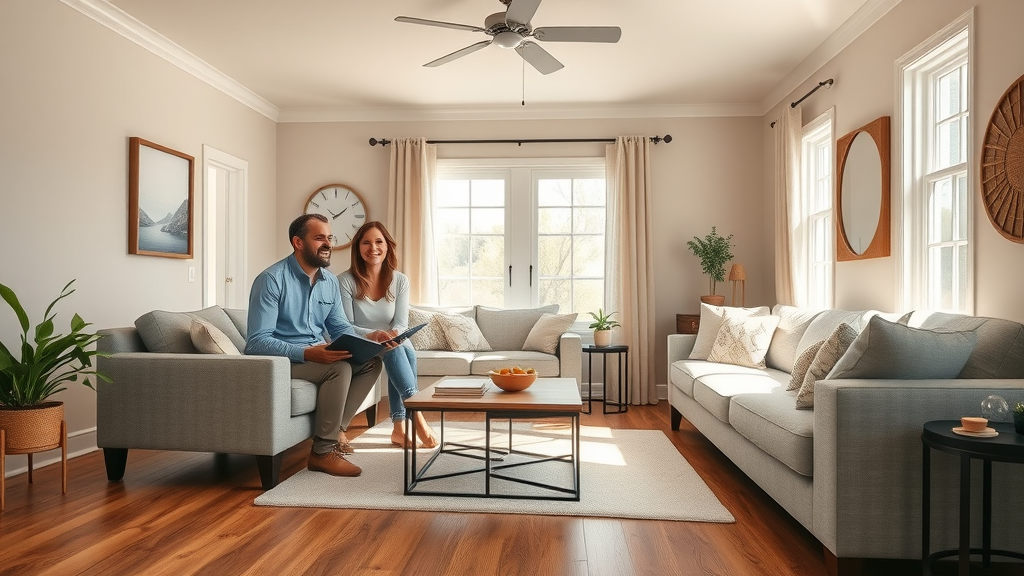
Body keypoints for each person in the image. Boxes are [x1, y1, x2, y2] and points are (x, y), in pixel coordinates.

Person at [245, 213, 394, 477]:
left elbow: (340, 329)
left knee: (372, 361)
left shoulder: (329, 282)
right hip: (284, 362)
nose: (327, 243)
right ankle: (322, 453)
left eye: (329, 237)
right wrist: (307, 353)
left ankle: (337, 430)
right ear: (298, 242)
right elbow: (256, 342)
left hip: (318, 354)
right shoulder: (271, 280)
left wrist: (371, 338)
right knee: (340, 369)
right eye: (319, 238)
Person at [338, 221, 439, 449]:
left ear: (387, 246)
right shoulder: (344, 281)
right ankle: (416, 416)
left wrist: (393, 334)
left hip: (391, 341)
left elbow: (401, 322)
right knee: (394, 348)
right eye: (366, 242)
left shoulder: (400, 280)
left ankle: (399, 429)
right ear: (358, 249)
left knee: (399, 348)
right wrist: (374, 335)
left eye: (378, 242)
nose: (372, 247)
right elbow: (345, 325)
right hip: (360, 342)